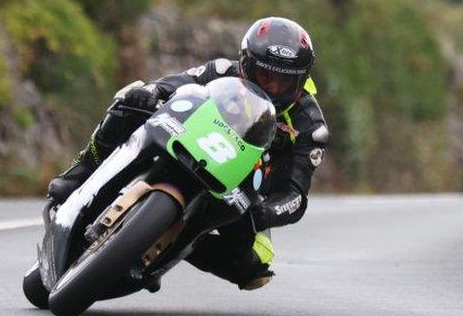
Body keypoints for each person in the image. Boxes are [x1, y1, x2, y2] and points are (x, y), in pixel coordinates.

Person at [47, 16, 329, 291]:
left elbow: (294, 197)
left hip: (245, 194)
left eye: (284, 82)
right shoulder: (221, 71)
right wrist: (152, 92)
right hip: (191, 144)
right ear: (245, 63)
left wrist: (265, 211)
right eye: (265, 75)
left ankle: (176, 245)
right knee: (129, 101)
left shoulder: (309, 125)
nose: (273, 88)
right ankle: (79, 172)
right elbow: (176, 84)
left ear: (302, 80)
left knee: (254, 266)